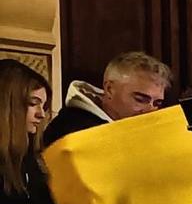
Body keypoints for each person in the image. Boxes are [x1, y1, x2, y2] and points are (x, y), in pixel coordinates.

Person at [43, 51, 174, 147]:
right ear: (110, 89)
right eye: (140, 99)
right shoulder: (73, 131)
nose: (151, 111)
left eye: (157, 103)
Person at [0, 60, 58, 204]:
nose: (41, 114)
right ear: (8, 105)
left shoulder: (32, 158)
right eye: (33, 103)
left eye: (44, 106)